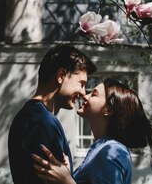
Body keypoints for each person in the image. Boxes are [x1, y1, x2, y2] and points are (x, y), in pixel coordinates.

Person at [32, 78, 152, 184]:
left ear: (108, 110)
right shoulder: (103, 148)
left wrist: (66, 181)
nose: (85, 96)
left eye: (94, 94)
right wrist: (70, 176)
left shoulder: (111, 151)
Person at [8, 45, 97, 184]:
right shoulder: (41, 122)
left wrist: (67, 175)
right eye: (81, 83)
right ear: (61, 76)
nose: (83, 93)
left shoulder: (32, 116)